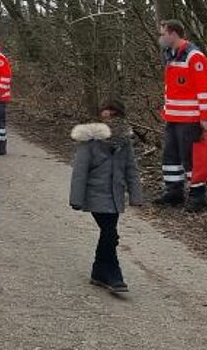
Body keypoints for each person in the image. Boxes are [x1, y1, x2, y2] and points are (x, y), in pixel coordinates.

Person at [69, 98, 144, 293]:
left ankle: (99, 271)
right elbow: (80, 171)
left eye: (113, 113)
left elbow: (131, 169)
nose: (108, 116)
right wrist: (76, 199)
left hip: (115, 196)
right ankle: (114, 275)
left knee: (108, 234)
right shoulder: (89, 140)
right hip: (96, 195)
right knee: (110, 234)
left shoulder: (124, 142)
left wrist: (136, 195)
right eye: (105, 112)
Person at [155, 19, 207, 212]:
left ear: (173, 33)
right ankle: (174, 192)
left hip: (190, 119)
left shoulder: (193, 56)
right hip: (173, 117)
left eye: (163, 33)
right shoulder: (171, 55)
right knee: (170, 157)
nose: (161, 37)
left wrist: (205, 116)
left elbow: (204, 89)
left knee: (190, 158)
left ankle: (198, 196)